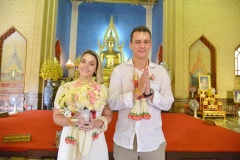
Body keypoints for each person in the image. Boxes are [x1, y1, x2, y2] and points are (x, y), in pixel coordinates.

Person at [108, 26, 174, 160]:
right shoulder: (119, 71)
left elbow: (168, 104)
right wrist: (136, 92)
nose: (142, 46)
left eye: (146, 42)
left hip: (152, 140)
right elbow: (113, 103)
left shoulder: (160, 72)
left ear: (150, 45)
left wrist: (150, 93)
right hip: (124, 140)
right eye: (138, 42)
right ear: (130, 45)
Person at [53, 50, 112, 160]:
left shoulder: (102, 90)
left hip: (95, 138)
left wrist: (96, 123)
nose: (86, 66)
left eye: (91, 63)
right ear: (78, 65)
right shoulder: (65, 88)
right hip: (70, 137)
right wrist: (71, 121)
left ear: (96, 69)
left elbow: (108, 115)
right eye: (83, 61)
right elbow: (56, 116)